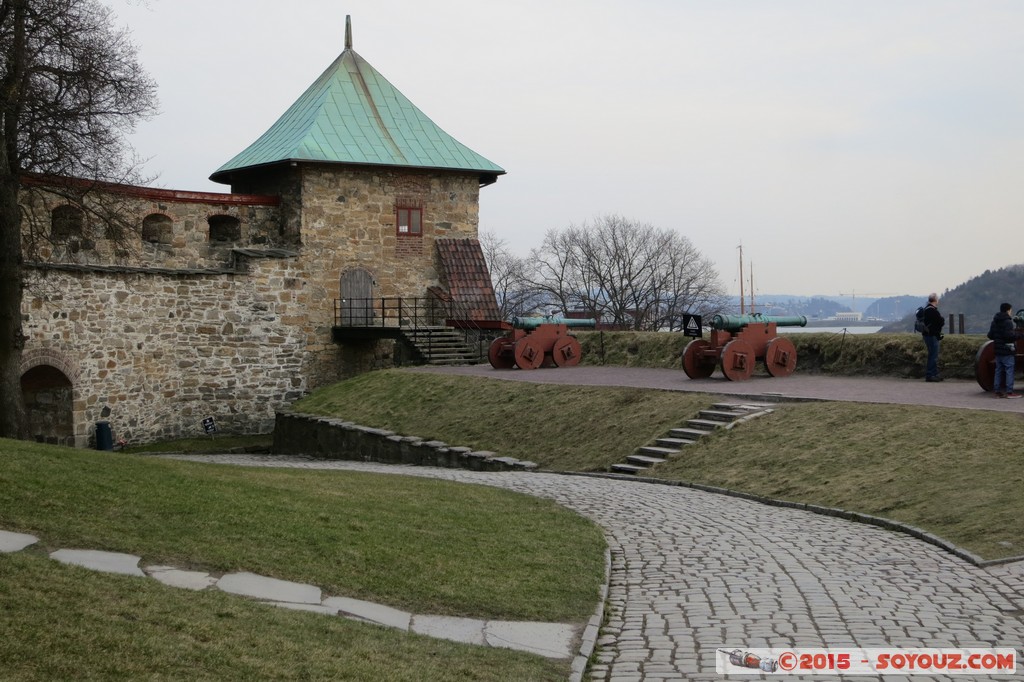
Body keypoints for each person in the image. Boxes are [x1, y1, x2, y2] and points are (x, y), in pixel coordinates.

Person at [987, 302, 1021, 398]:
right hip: (1007, 349)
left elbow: (990, 335)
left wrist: (998, 338)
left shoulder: (994, 321)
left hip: (998, 350)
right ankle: (1009, 392)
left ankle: (997, 391)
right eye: (1011, 310)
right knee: (1009, 370)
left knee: (998, 370)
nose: (1011, 312)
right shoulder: (1008, 322)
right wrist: (1019, 335)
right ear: (1008, 310)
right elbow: (1009, 336)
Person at [920, 293, 945, 382]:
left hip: (927, 335)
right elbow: (941, 321)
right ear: (935, 300)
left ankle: (933, 374)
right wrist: (942, 319)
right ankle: (931, 375)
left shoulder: (926, 309)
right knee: (933, 356)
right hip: (932, 335)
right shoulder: (932, 311)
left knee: (932, 355)